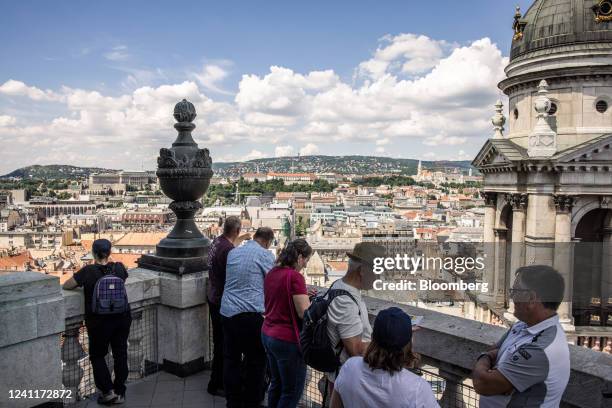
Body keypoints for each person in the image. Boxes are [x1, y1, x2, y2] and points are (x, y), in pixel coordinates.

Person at [472, 265, 570, 408]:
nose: (512, 297)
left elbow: (483, 383)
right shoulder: (522, 325)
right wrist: (490, 359)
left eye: (515, 291)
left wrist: (483, 359)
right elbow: (494, 350)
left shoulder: (542, 348)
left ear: (531, 298)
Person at [63, 239, 131, 405]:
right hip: (122, 318)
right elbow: (126, 275)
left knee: (98, 356)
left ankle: (107, 392)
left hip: (99, 322)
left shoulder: (88, 271)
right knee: (120, 354)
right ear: (109, 253)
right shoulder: (119, 267)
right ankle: (120, 392)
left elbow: (67, 285)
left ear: (93, 253)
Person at [331, 307, 439, 408]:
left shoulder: (350, 367)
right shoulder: (417, 389)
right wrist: (400, 334)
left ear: (372, 338)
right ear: (409, 343)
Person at [221, 227, 276, 408]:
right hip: (250, 315)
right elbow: (274, 282)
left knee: (231, 360)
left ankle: (232, 401)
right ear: (268, 242)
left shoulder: (234, 252)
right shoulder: (265, 255)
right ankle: (252, 401)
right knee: (256, 360)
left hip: (227, 312)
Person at [324, 242, 386, 389]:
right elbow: (356, 350)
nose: (380, 276)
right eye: (378, 270)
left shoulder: (340, 286)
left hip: (346, 377)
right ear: (363, 270)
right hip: (348, 381)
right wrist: (392, 341)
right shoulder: (345, 302)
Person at [261, 239, 313, 408]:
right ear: (299, 257)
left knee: (276, 384)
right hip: (286, 340)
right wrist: (314, 304)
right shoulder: (295, 277)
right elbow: (304, 313)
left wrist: (304, 295)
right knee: (291, 392)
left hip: (267, 333)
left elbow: (281, 299)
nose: (305, 265)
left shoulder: (272, 273)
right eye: (306, 260)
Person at [206, 216, 248, 396]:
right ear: (237, 231)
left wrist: (241, 239)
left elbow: (228, 246)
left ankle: (216, 382)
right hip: (222, 301)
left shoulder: (216, 242)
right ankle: (217, 384)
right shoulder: (229, 250)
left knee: (219, 342)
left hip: (212, 296)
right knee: (225, 345)